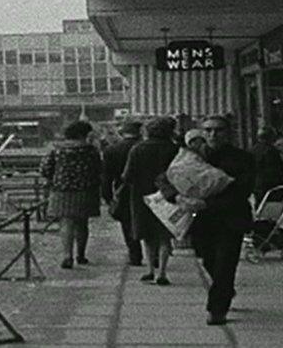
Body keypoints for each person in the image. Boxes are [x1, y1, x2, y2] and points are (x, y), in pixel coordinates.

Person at [187, 115, 254, 325]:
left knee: (225, 263)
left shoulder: (242, 158)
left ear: (229, 133)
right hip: (201, 221)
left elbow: (243, 189)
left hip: (230, 219)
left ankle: (217, 309)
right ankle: (225, 289)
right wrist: (176, 196)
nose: (213, 135)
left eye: (218, 130)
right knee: (209, 260)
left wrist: (208, 203)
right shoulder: (191, 156)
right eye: (208, 130)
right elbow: (164, 177)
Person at [122, 117, 178, 285]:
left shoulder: (138, 149)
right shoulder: (174, 149)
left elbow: (127, 175)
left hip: (142, 196)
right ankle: (162, 271)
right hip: (168, 195)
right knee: (164, 235)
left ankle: (150, 271)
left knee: (147, 235)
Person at [40, 120, 103, 269]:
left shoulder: (56, 150)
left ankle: (67, 255)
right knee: (82, 223)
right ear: (82, 134)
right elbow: (99, 169)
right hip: (86, 190)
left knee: (66, 222)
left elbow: (45, 169)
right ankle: (80, 255)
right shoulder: (91, 150)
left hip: (62, 191)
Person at [101, 121, 144, 266]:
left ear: (122, 133)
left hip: (123, 191)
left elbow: (107, 177)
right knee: (150, 221)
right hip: (147, 189)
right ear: (139, 133)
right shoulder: (143, 147)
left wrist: (107, 197)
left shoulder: (111, 150)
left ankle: (135, 254)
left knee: (127, 223)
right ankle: (154, 255)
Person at [251, 127, 283, 205]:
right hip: (271, 189)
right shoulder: (271, 151)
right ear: (270, 137)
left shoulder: (252, 150)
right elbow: (277, 171)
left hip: (256, 188)